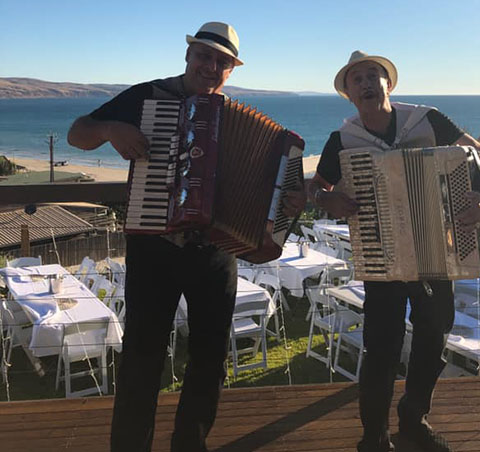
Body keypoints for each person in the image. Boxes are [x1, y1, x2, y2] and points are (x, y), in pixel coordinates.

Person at [68, 22, 305, 452]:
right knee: (142, 357)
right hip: (154, 247)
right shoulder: (147, 97)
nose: (211, 66)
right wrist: (108, 130)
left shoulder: (235, 118)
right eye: (204, 56)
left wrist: (288, 203)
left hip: (215, 255)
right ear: (188, 55)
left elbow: (275, 192)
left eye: (222, 62)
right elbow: (77, 132)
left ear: (231, 70)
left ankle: (189, 444)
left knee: (210, 360)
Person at [308, 51, 480, 452]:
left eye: (373, 76)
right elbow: (316, 188)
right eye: (356, 79)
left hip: (438, 251)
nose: (366, 84)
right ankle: (373, 436)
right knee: (381, 346)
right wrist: (329, 202)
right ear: (348, 94)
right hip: (383, 256)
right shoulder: (342, 141)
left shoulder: (426, 121)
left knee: (434, 335)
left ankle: (414, 418)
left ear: (388, 84)